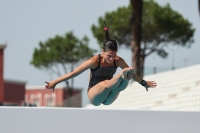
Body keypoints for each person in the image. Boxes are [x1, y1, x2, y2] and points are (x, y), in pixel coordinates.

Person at [45, 22, 157, 106]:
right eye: (109, 56)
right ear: (102, 52)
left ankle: (124, 76)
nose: (112, 58)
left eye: (114, 55)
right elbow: (74, 73)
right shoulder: (94, 61)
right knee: (106, 83)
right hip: (95, 95)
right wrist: (55, 82)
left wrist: (143, 83)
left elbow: (134, 75)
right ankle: (121, 74)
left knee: (123, 83)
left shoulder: (118, 60)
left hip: (109, 97)